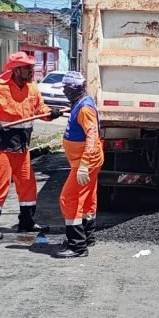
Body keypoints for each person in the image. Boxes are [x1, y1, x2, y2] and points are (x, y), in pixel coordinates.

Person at [0, 52, 63, 240]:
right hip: (1, 145)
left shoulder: (32, 88)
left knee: (28, 185)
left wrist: (50, 114)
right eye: (28, 68)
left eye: (32, 67)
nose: (32, 71)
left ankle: (26, 222)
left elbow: (40, 109)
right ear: (16, 69)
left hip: (22, 145)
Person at [54, 71, 104, 259]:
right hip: (87, 161)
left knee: (69, 199)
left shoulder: (84, 109)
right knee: (87, 198)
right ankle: (87, 237)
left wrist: (83, 165)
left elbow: (92, 136)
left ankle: (77, 246)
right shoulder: (81, 102)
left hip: (85, 163)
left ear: (74, 89)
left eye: (66, 88)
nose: (64, 92)